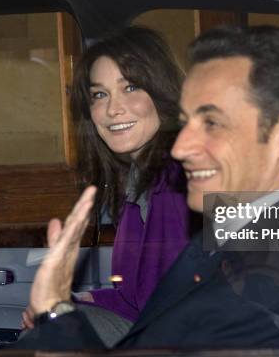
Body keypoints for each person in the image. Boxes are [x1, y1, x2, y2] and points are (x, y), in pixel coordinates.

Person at [14, 25, 279, 351]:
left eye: (212, 122)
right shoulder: (238, 235)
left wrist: (56, 311)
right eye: (185, 123)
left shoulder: (272, 278)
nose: (178, 147)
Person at [21, 26, 190, 346]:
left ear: (162, 91)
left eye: (131, 88)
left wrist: (58, 311)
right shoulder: (139, 182)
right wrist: (71, 300)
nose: (113, 109)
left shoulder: (177, 181)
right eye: (100, 94)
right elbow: (134, 298)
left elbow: (171, 314)